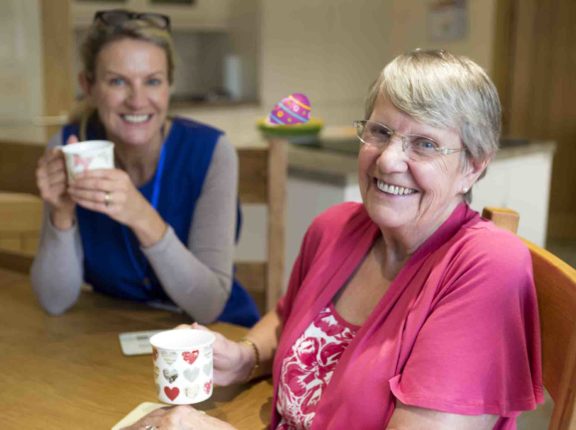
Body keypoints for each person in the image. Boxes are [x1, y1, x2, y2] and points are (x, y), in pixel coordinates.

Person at [126, 49, 544, 430]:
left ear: (473, 165)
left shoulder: (488, 266)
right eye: (380, 132)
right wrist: (245, 358)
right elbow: (289, 319)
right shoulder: (337, 227)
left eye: (425, 144)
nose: (388, 159)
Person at [31, 9, 259, 327]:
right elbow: (55, 301)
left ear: (169, 86)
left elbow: (208, 306)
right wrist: (61, 215)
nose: (137, 101)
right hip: (114, 333)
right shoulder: (71, 146)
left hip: (214, 339)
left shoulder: (211, 152)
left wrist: (141, 216)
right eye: (118, 81)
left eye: (152, 81)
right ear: (89, 86)